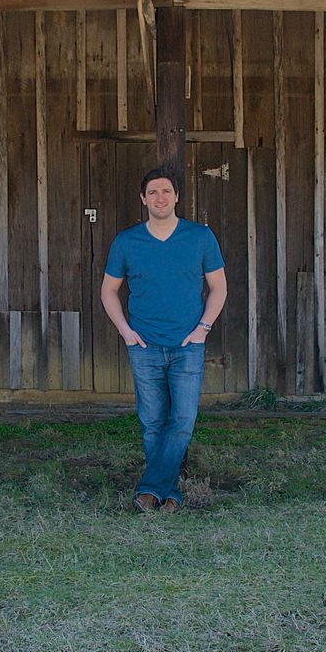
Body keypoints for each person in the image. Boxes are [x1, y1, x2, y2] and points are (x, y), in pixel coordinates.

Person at [100, 167, 227, 514]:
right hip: (144, 346)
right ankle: (168, 492)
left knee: (183, 421)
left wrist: (203, 328)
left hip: (188, 345)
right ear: (143, 199)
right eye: (153, 192)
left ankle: (150, 489)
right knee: (152, 422)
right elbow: (109, 291)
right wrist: (126, 331)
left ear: (177, 197)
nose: (160, 198)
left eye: (166, 191)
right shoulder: (127, 241)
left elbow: (219, 287)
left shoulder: (200, 237)